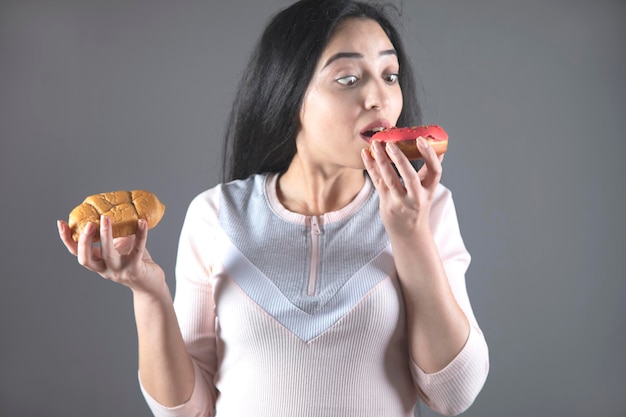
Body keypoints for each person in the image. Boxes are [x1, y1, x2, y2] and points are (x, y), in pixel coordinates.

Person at [57, 0, 489, 416]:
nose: (380, 98)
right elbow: (187, 412)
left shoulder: (427, 208)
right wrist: (148, 293)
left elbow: (453, 394)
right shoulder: (216, 215)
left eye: (390, 75)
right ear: (290, 94)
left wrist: (409, 234)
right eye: (348, 79)